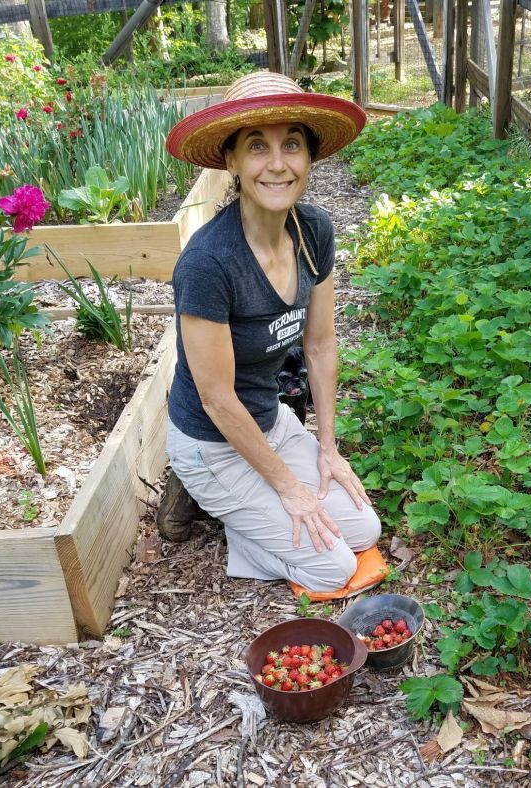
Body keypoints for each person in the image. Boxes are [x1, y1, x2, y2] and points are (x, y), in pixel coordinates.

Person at [162, 71, 381, 593]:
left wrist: (327, 446)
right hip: (211, 442)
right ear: (232, 161)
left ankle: (253, 516)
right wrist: (287, 487)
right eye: (257, 146)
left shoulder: (314, 232)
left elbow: (321, 344)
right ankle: (231, 517)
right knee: (332, 568)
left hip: (269, 422)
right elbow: (215, 398)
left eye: (292, 145)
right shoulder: (209, 263)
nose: (278, 164)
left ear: (309, 158)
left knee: (363, 529)